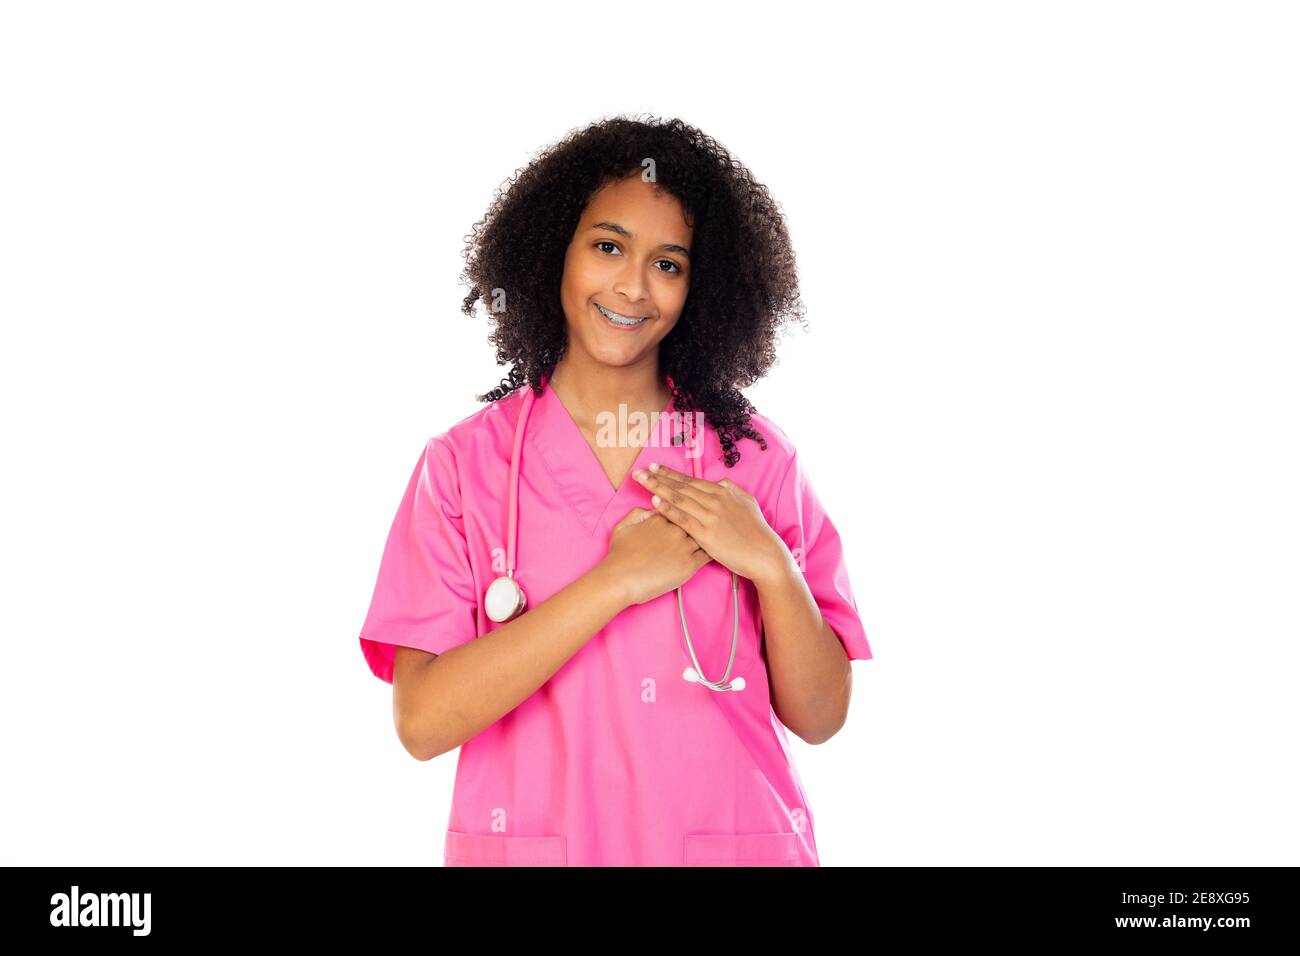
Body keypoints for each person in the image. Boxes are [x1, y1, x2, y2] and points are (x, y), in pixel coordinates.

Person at [357, 115, 874, 867]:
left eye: (669, 264)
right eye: (607, 247)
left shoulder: (754, 460)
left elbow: (822, 717)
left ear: (704, 286)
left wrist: (771, 566)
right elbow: (423, 722)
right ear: (552, 253)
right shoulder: (464, 468)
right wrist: (616, 581)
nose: (633, 286)